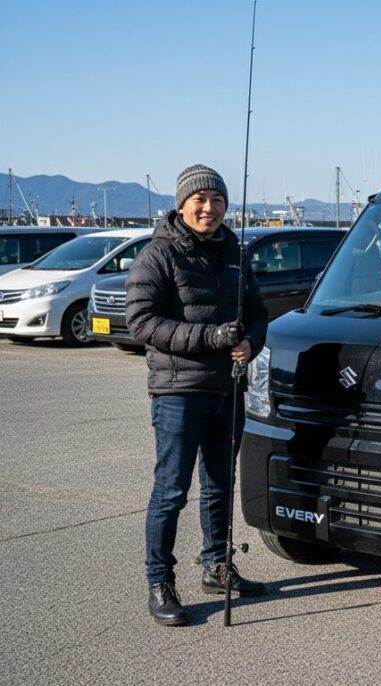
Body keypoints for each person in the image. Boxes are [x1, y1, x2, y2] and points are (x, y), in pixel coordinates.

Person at [126, 164, 269, 626]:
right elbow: (142, 322)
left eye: (217, 200)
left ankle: (217, 566)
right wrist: (211, 336)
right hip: (178, 392)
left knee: (219, 485)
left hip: (228, 388)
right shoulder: (158, 254)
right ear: (182, 205)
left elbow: (259, 313)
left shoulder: (235, 252)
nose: (209, 209)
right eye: (200, 200)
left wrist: (251, 342)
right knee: (171, 492)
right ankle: (159, 582)